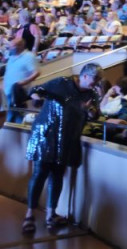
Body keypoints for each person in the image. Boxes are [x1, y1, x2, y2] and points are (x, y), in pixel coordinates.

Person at [23, 63, 101, 233]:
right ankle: (30, 214)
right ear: (84, 76)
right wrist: (36, 96)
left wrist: (89, 111)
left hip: (68, 138)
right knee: (39, 173)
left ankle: (51, 214)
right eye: (95, 78)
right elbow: (36, 90)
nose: (96, 82)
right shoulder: (61, 82)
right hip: (45, 134)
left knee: (57, 175)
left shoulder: (92, 94)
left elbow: (96, 114)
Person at [3, 37, 39, 123]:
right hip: (7, 92)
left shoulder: (29, 56)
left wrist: (23, 82)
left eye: (11, 46)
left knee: (17, 116)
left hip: (17, 93)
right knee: (9, 117)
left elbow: (36, 72)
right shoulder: (12, 56)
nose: (9, 48)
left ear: (18, 46)